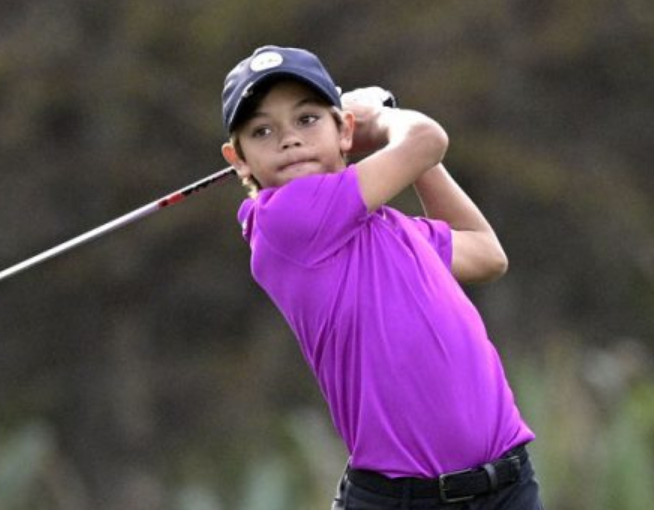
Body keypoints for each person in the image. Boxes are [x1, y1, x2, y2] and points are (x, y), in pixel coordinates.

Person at [219, 45, 543, 509]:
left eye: (306, 119)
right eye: (262, 130)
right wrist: (383, 119)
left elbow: (486, 252)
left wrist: (386, 137)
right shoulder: (284, 222)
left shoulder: (391, 231)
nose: (288, 139)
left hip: (507, 486)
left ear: (343, 129)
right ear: (239, 159)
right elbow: (426, 138)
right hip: (406, 501)